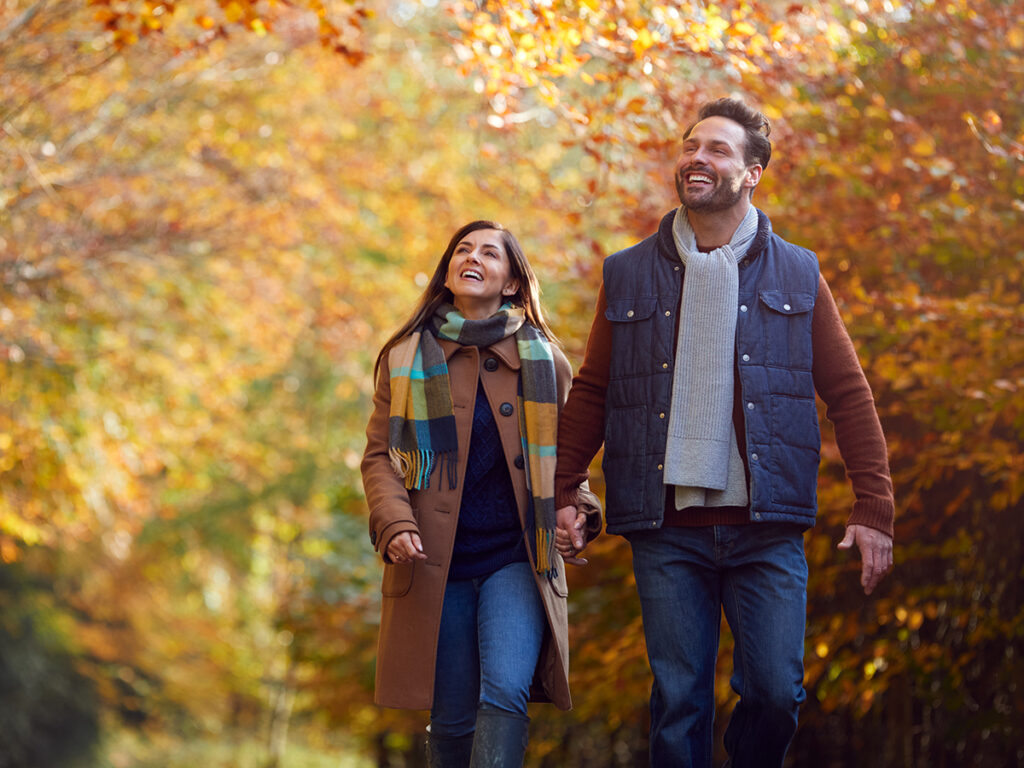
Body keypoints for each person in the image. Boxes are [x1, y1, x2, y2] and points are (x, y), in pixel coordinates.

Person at [554, 98, 895, 767]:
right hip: (666, 526)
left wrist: (874, 505)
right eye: (689, 147)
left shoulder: (798, 271)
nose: (696, 160)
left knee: (775, 694)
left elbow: (848, 392)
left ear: (753, 172)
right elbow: (596, 389)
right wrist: (564, 488)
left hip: (765, 526)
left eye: (716, 149)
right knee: (679, 702)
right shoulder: (626, 272)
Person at [361, 220, 601, 768]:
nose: (473, 258)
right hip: (435, 563)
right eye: (463, 250)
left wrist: (580, 513)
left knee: (505, 693)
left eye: (490, 253)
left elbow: (568, 467)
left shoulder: (546, 362)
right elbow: (380, 457)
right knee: (451, 717)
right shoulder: (403, 359)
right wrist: (395, 523)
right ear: (448, 272)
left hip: (517, 556)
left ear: (513, 281)